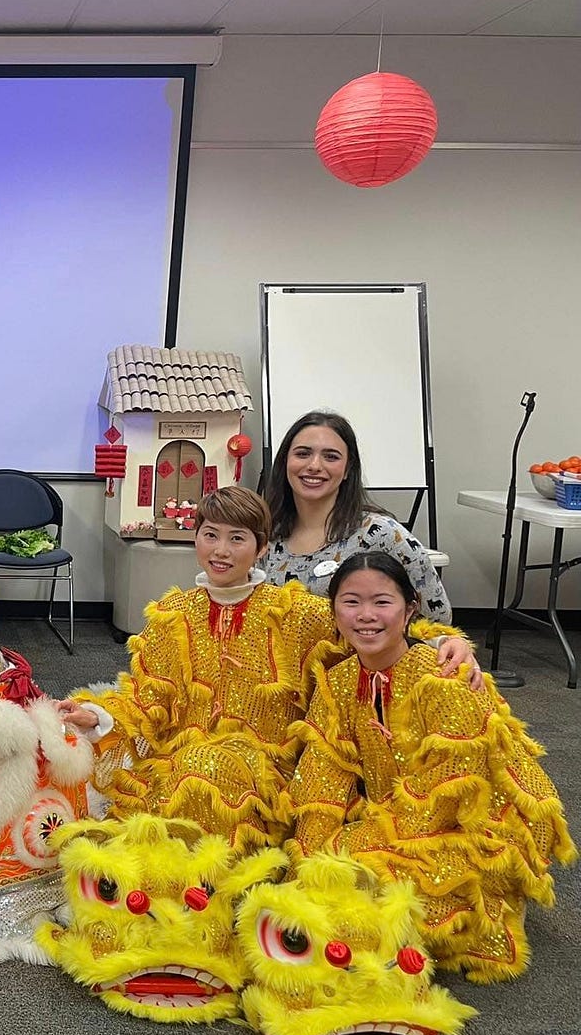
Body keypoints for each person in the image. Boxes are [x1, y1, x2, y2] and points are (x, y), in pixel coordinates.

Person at [74, 487, 475, 851]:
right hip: (179, 761)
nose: (221, 550)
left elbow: (368, 628)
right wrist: (97, 716)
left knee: (199, 785)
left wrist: (442, 641)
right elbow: (147, 700)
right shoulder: (171, 615)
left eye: (237, 538)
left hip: (266, 771)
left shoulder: (296, 612)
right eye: (210, 535)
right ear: (195, 538)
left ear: (262, 547)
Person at [284, 552, 574, 982]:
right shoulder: (341, 680)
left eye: (382, 602)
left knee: (384, 889)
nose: (366, 616)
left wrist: (363, 839)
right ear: (334, 611)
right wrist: (309, 859)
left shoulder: (444, 675)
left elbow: (450, 791)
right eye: (351, 602)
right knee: (324, 873)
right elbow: (322, 774)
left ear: (410, 609)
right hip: (396, 813)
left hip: (478, 823)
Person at [262, 410, 451, 623]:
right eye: (303, 454)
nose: (314, 465)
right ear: (285, 461)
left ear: (347, 470)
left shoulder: (383, 535)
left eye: (331, 457)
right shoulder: (266, 535)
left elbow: (438, 619)